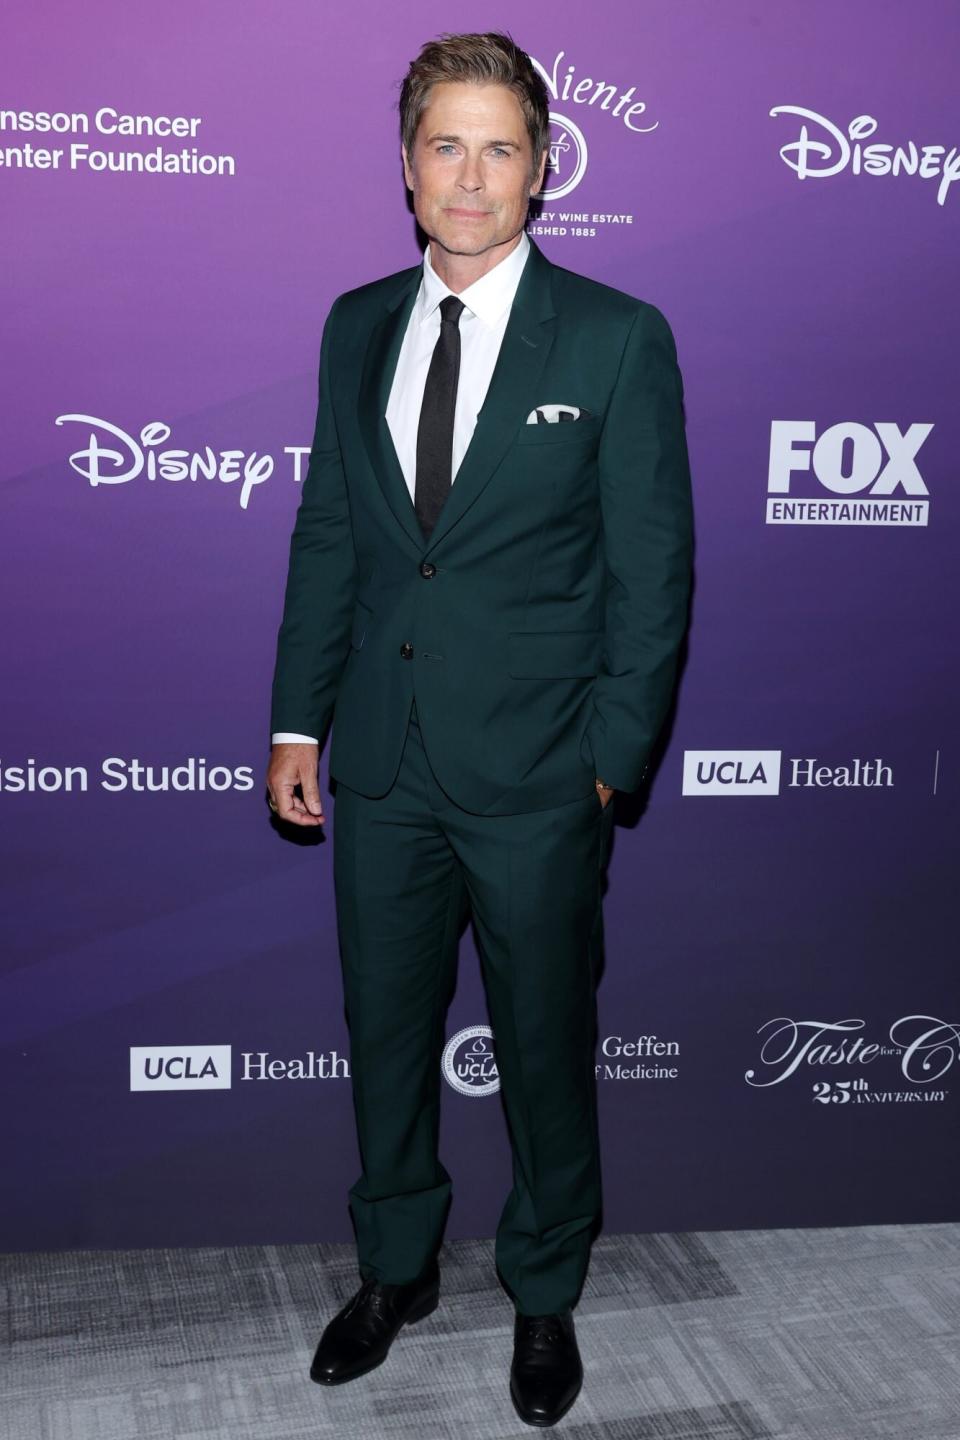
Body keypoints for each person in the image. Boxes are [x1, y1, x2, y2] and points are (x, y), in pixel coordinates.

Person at [266, 30, 693, 1428]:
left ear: (542, 169)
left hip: (539, 778)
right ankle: (394, 1270)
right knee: (386, 1035)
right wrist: (294, 721)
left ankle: (546, 1291)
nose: (470, 174)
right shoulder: (352, 324)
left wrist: (610, 766)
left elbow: (653, 570)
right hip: (380, 763)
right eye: (444, 144)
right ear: (406, 168)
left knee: (547, 1045)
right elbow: (333, 535)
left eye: (499, 146)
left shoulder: (620, 337)